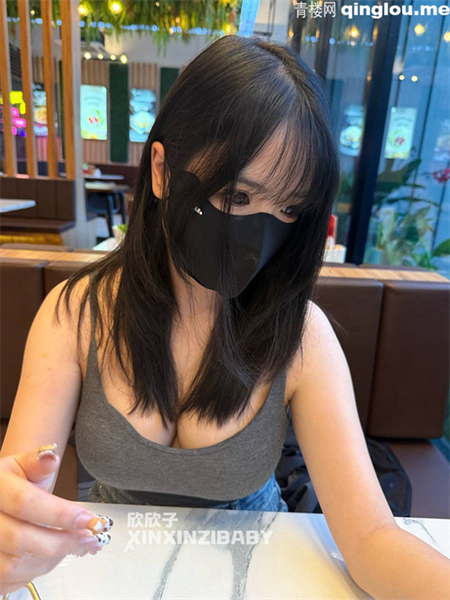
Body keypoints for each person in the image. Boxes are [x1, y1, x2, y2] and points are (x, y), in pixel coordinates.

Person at [0, 34, 402, 597]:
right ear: (162, 171)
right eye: (236, 197)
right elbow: (18, 491)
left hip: (258, 566)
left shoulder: (301, 334)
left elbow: (373, 537)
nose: (259, 236)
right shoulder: (76, 316)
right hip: (114, 561)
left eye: (289, 208)